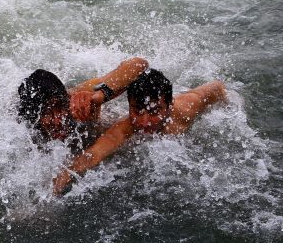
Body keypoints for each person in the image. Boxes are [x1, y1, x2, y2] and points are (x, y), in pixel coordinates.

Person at [52, 69, 227, 195]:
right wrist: (62, 178)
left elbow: (217, 87)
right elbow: (93, 154)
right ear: (129, 105)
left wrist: (231, 107)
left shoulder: (188, 106)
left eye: (154, 111)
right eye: (137, 110)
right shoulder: (125, 128)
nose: (144, 122)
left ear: (169, 104)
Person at [18, 57, 150, 150]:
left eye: (59, 107)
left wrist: (100, 96)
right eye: (47, 112)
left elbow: (138, 64)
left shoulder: (76, 97)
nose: (58, 119)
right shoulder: (21, 130)